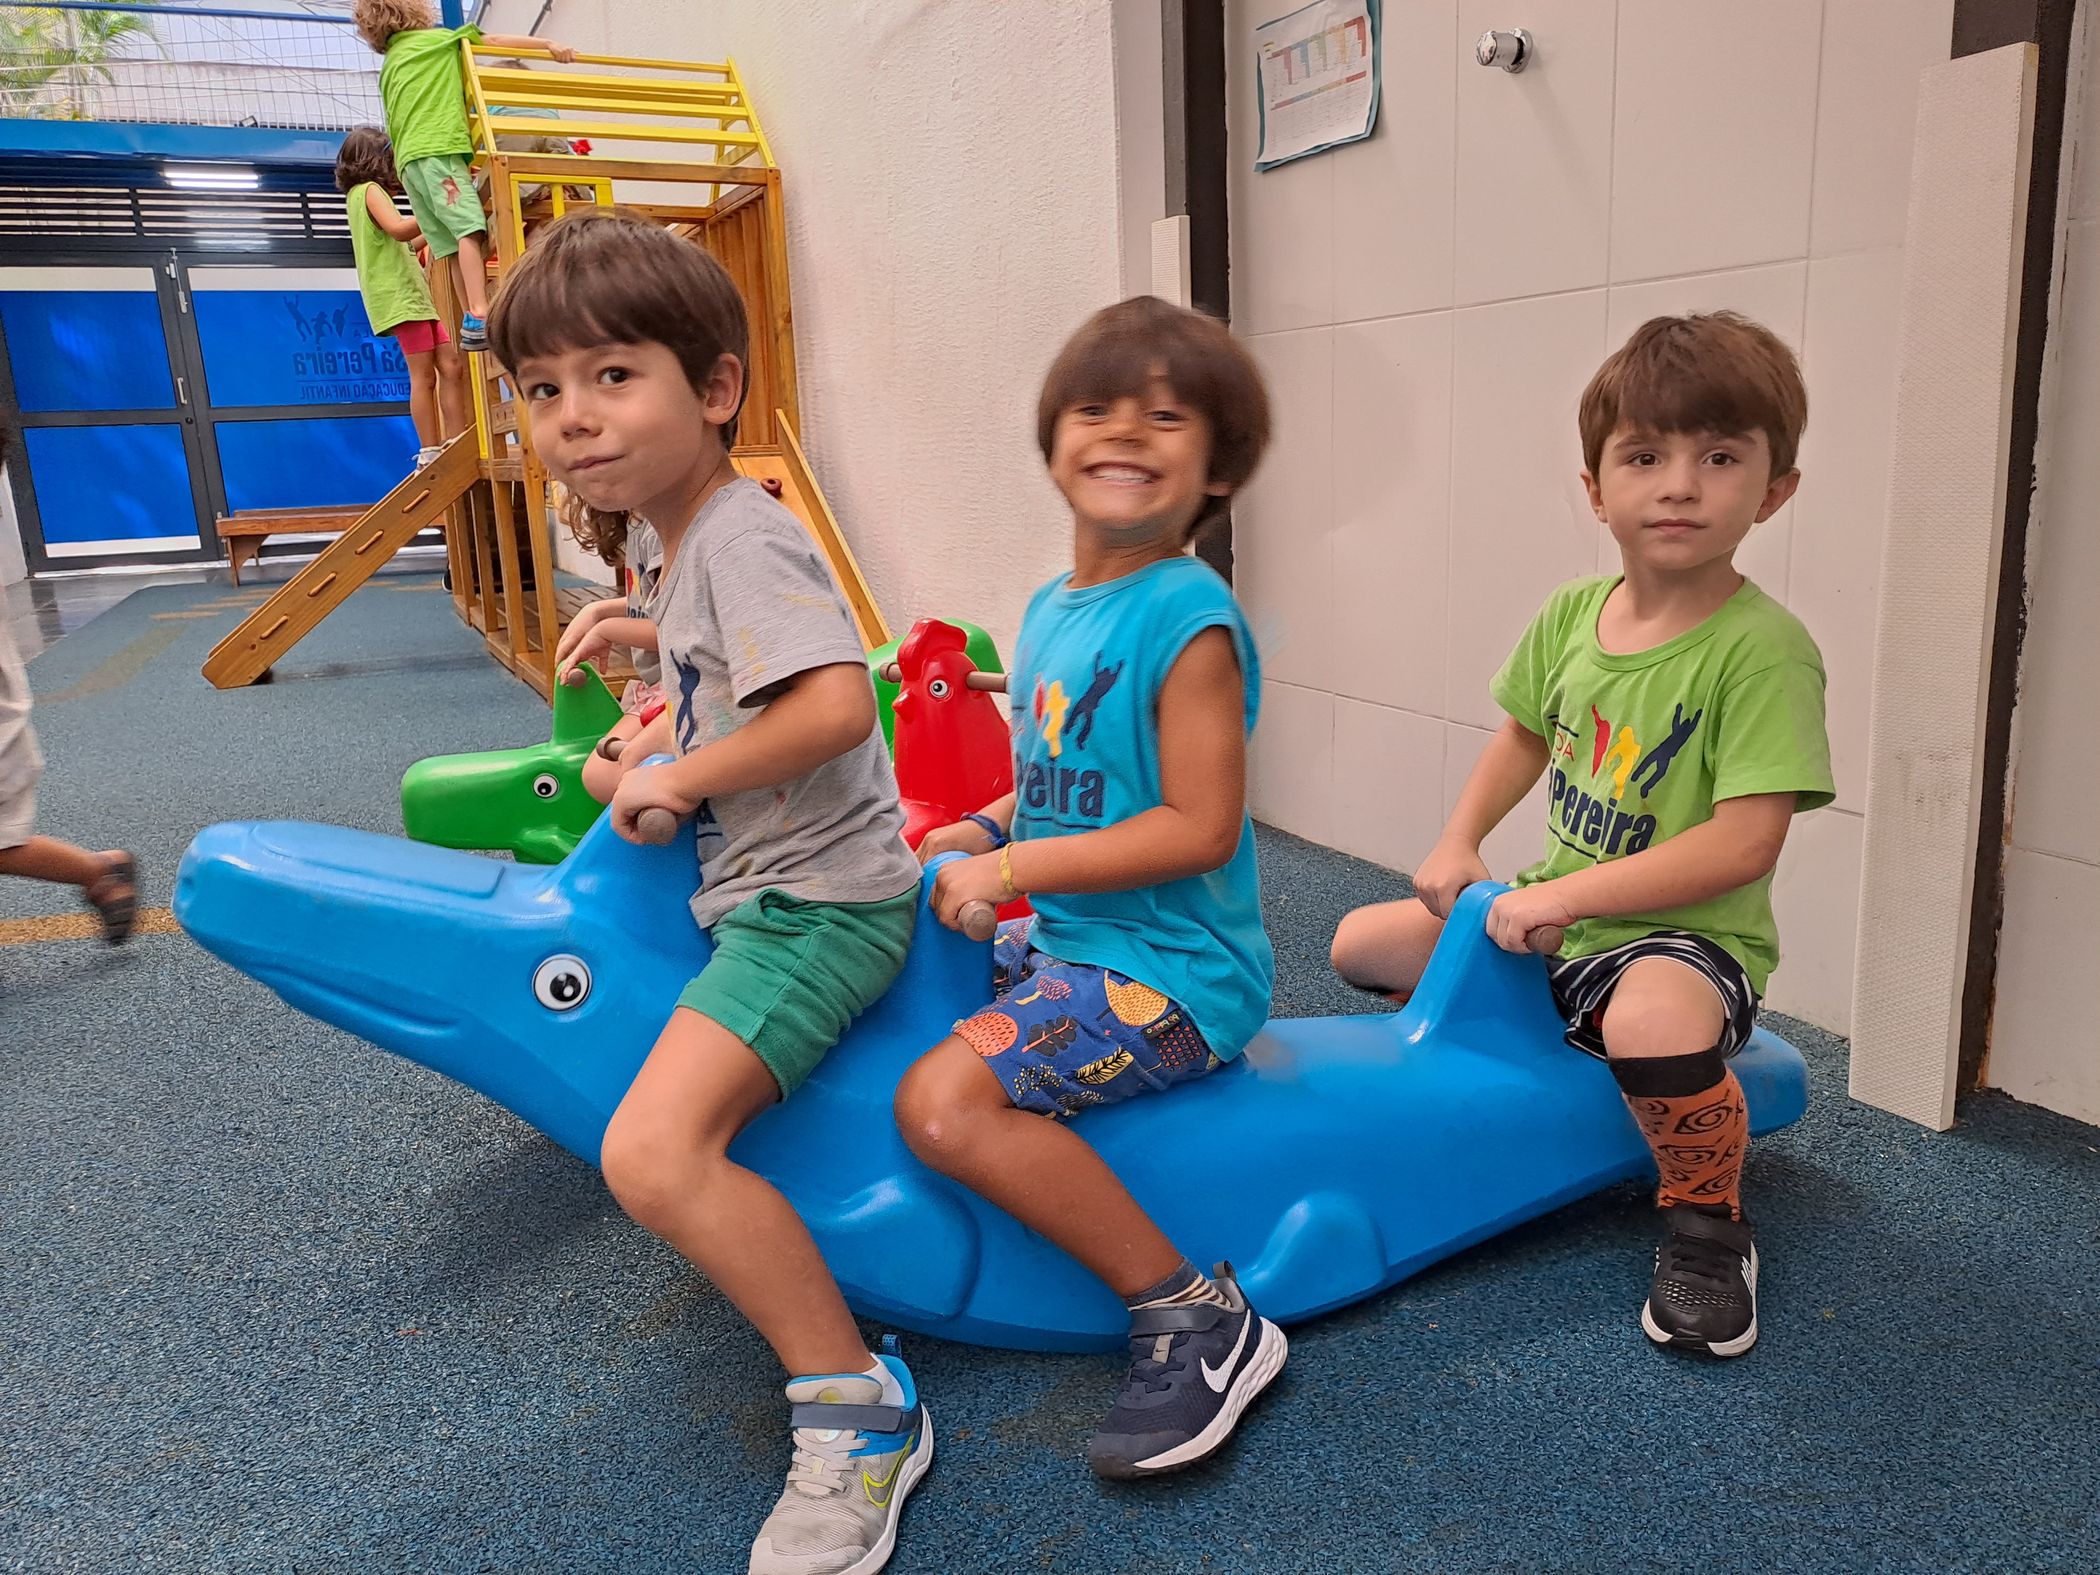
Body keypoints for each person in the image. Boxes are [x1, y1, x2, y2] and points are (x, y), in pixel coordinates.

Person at [488, 209, 930, 1575]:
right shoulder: (685, 543)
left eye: (614, 375)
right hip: (764, 884)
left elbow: (836, 708)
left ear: (718, 386)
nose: (573, 416)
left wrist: (681, 776)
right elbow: (732, 679)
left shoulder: (741, 538)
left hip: (818, 903)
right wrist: (653, 652)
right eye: (543, 389)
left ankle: (860, 1406)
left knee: (652, 1154)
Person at [1329, 311, 1834, 1358]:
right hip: (1559, 918)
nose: (1680, 485)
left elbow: (1744, 845)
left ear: (1775, 490)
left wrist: (1564, 897)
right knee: (1358, 944)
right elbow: (1522, 733)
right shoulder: (1571, 616)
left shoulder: (1763, 651)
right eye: (1645, 457)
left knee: (1647, 1017)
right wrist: (1458, 841)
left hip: (1684, 943)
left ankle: (1708, 1225)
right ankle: (1534, 1066)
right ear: (1597, 489)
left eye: (1719, 457)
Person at [894, 296, 1287, 1480]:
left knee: (941, 1104)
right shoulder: (1050, 609)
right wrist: (980, 825)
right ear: (1054, 438)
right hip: (1073, 941)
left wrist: (1006, 869)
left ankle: (1196, 1316)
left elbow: (1196, 828)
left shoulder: (1187, 616)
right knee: (888, 976)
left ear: (1219, 468)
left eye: (1166, 418)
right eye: (1098, 408)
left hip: (1170, 976)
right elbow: (1063, 783)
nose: (1125, 431)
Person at [350, 1, 576, 352]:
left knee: (450, 246)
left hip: (410, 165)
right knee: (470, 228)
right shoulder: (441, 40)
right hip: (438, 152)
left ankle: (470, 318)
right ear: (418, 12)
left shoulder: (391, 64)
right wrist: (548, 44)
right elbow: (495, 41)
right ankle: (482, 312)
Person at [334, 125, 463, 468]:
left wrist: (436, 229)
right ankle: (431, 449)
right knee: (424, 375)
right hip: (401, 297)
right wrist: (436, 209)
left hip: (413, 298)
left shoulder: (360, 197)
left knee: (451, 365)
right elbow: (400, 229)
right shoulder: (369, 190)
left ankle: (456, 440)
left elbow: (405, 244)